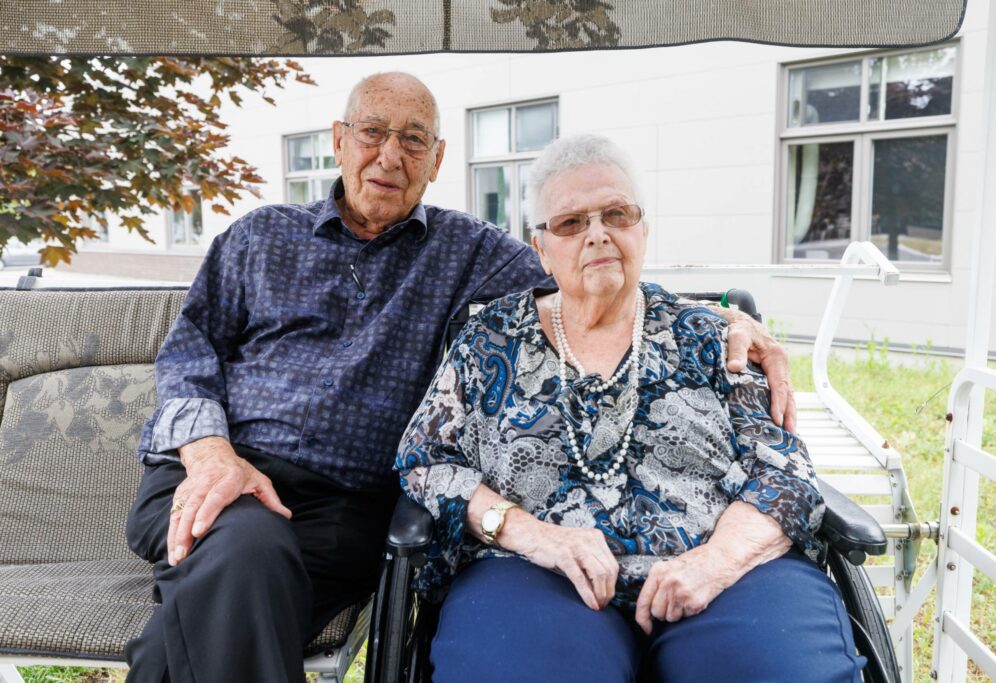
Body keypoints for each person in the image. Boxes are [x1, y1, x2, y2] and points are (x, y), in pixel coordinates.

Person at [124, 73, 796, 682]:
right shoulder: (258, 236)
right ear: (338, 140)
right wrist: (211, 455)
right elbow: (188, 353)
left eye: (413, 139)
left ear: (438, 159)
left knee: (239, 569)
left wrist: (727, 315)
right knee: (246, 545)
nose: (390, 155)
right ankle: (218, 565)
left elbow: (595, 268)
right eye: (373, 132)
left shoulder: (469, 251)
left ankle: (195, 599)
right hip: (211, 475)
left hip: (341, 511)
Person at [396, 134, 865, 682]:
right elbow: (424, 460)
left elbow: (784, 470)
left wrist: (717, 562)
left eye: (617, 214)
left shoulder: (712, 337)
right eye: (571, 222)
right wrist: (534, 535)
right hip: (534, 573)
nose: (597, 234)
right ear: (540, 250)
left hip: (725, 574)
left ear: (643, 230)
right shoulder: (490, 340)